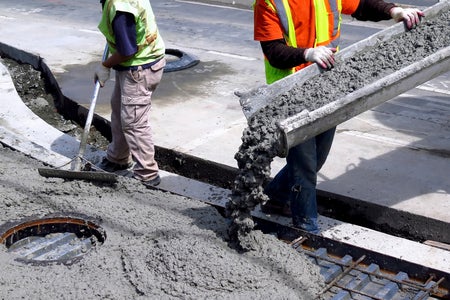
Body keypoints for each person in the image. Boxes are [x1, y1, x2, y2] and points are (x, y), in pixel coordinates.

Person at [254, 0, 424, 233]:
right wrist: (308, 53)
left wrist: (394, 11)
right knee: (304, 164)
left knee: (318, 158)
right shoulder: (270, 3)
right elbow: (273, 51)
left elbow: (361, 5)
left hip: (325, 86)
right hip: (289, 93)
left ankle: (275, 198)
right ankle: (307, 226)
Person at [94, 0, 166, 187]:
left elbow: (127, 50)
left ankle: (147, 174)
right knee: (119, 110)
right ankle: (117, 158)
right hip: (133, 66)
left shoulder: (121, 8)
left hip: (139, 69)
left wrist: (105, 65)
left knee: (133, 122)